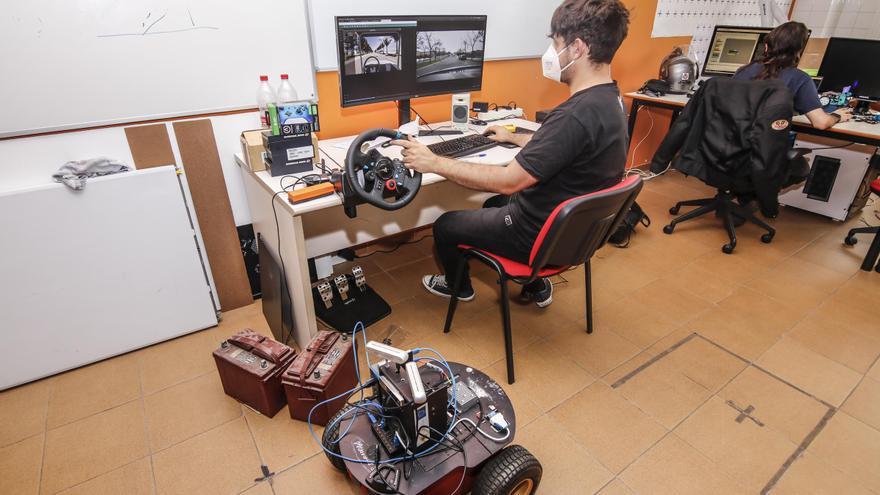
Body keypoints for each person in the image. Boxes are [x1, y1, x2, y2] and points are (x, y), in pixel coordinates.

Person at [391, 0, 630, 307]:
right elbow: (568, 147)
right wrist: (515, 137)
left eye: (556, 44)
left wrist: (434, 161)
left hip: (533, 236)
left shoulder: (573, 115)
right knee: (495, 204)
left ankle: (459, 287)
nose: (551, 54)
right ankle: (537, 286)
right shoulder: (612, 101)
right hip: (571, 235)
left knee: (446, 225)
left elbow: (507, 181)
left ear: (577, 48)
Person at [733, 21, 852, 130]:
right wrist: (837, 116)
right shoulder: (800, 78)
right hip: (761, 149)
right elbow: (821, 123)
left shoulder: (744, 70)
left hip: (727, 146)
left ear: (766, 47)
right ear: (798, 52)